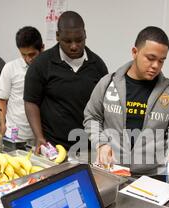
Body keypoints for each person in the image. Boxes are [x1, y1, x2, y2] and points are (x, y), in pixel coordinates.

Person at [84, 26, 169, 180]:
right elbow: (92, 117)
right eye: (150, 58)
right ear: (135, 52)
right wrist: (101, 143)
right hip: (111, 169)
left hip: (152, 175)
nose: (156, 66)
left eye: (161, 61)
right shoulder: (108, 83)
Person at [24, 11, 108, 153]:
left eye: (79, 40)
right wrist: (39, 137)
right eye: (67, 41)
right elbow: (31, 102)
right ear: (57, 36)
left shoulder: (97, 65)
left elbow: (103, 107)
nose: (74, 46)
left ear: (85, 34)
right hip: (54, 147)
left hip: (87, 147)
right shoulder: (41, 64)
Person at [0, 26, 44, 142]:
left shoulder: (49, 69)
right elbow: (1, 100)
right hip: (14, 135)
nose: (27, 59)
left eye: (32, 54)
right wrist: (2, 126)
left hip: (41, 135)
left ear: (42, 48)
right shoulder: (10, 68)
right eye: (23, 54)